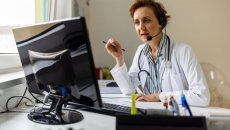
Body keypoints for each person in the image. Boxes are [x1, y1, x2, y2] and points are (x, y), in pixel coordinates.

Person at [105, 0, 210, 107]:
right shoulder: (141, 52)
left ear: (161, 23)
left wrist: (159, 96)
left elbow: (201, 96)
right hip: (149, 114)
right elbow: (128, 89)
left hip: (176, 117)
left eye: (146, 20)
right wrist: (119, 59)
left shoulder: (183, 51)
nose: (141, 27)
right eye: (137, 22)